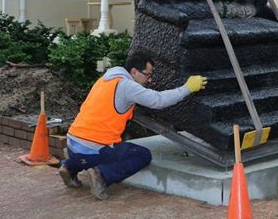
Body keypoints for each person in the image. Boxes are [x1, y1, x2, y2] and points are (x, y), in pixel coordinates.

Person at [58, 51, 208, 199]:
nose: (149, 80)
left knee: (101, 149)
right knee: (142, 154)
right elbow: (158, 100)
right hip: (94, 151)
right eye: (147, 75)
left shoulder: (107, 79)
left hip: (72, 144)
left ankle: (69, 167)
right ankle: (102, 175)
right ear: (134, 71)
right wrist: (187, 88)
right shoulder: (127, 86)